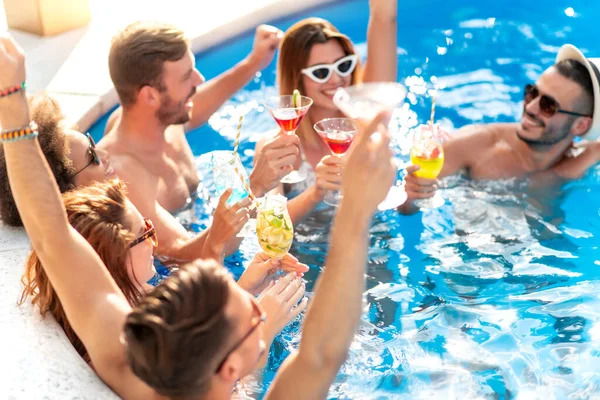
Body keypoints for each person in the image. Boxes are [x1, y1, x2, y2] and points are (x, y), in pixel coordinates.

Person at [0, 33, 396, 399]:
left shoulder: (130, 365)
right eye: (252, 318)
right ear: (229, 366)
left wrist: (13, 106)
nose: (152, 237)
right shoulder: (139, 360)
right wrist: (355, 214)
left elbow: (53, 233)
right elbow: (320, 355)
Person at [18, 176, 308, 365]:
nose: (154, 240)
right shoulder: (129, 344)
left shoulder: (131, 302)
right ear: (117, 261)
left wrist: (245, 290)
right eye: (146, 233)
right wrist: (261, 333)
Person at [0, 93, 249, 262]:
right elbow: (183, 259)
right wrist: (255, 188)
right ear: (67, 194)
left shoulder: (121, 219)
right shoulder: (111, 253)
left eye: (92, 142)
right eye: (92, 157)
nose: (104, 154)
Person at [99, 21, 300, 215]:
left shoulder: (161, 118)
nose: (200, 79)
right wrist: (256, 186)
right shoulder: (123, 176)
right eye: (187, 76)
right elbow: (185, 248)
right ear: (150, 95)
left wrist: (254, 63)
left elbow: (200, 104)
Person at [400, 44, 600, 214]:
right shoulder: (475, 145)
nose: (529, 108)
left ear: (581, 125)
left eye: (548, 106)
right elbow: (405, 207)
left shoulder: (580, 160)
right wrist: (412, 194)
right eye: (532, 93)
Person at [255, 0, 398, 223]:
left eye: (343, 65)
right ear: (296, 78)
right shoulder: (278, 145)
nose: (337, 79)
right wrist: (317, 192)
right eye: (321, 72)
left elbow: (384, 18)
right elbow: (268, 223)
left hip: (377, 246)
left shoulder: (367, 117)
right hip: (310, 256)